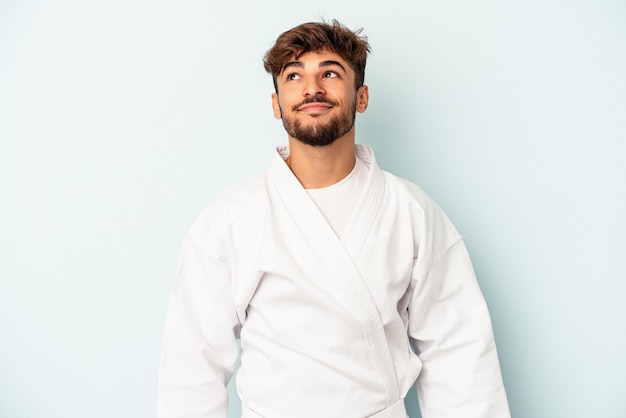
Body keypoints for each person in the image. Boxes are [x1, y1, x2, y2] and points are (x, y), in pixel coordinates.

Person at [157, 20, 511, 418]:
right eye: (294, 76)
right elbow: (191, 368)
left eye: (329, 72)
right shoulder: (231, 219)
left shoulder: (411, 211)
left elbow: (460, 354)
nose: (312, 88)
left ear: (361, 97)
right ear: (276, 103)